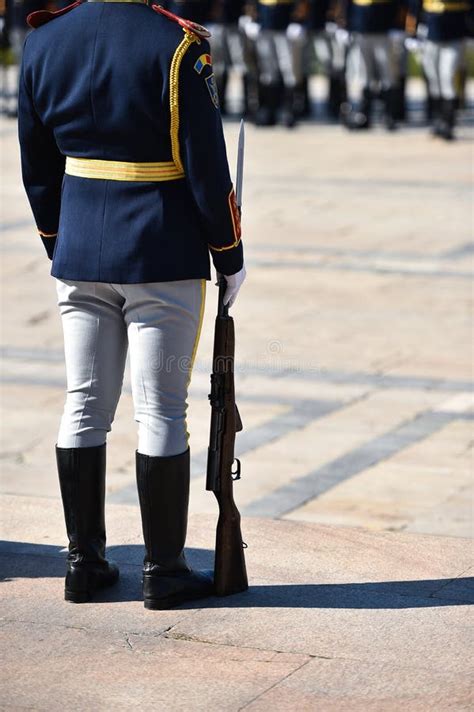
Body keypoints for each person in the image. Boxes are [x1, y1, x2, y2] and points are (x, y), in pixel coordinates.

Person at [18, 0, 246, 610]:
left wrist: (58, 240)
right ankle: (163, 571)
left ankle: (84, 566)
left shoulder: (43, 41)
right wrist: (229, 253)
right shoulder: (176, 45)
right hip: (160, 250)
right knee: (161, 410)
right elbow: (205, 165)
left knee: (84, 402)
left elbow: (36, 166)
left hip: (78, 248)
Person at [406, 0, 472, 140]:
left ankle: (448, 122)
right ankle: (437, 119)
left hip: (455, 33)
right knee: (433, 78)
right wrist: (413, 31)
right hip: (431, 33)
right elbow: (415, 6)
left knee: (447, 76)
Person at [342, 0, 402, 129]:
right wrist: (345, 24)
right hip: (361, 27)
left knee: (388, 74)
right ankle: (363, 114)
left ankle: (389, 115)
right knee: (363, 75)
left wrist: (399, 25)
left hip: (385, 29)